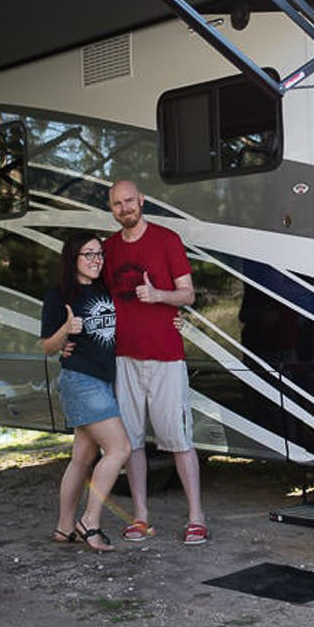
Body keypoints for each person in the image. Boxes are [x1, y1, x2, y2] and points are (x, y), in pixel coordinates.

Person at [104, 179, 206, 545]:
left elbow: (188, 294)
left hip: (165, 357)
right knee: (131, 442)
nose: (125, 208)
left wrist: (159, 296)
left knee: (178, 438)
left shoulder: (166, 240)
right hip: (123, 359)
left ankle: (197, 517)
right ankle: (141, 516)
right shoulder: (109, 248)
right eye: (117, 204)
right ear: (112, 208)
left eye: (130, 201)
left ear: (141, 201)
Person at [40, 231, 131, 552]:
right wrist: (66, 330)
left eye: (99, 254)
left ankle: (64, 529)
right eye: (88, 254)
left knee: (82, 458)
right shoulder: (60, 295)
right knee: (120, 449)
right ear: (73, 258)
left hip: (102, 381)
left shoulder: (106, 288)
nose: (95, 260)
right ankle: (89, 522)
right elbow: (47, 347)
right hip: (81, 381)